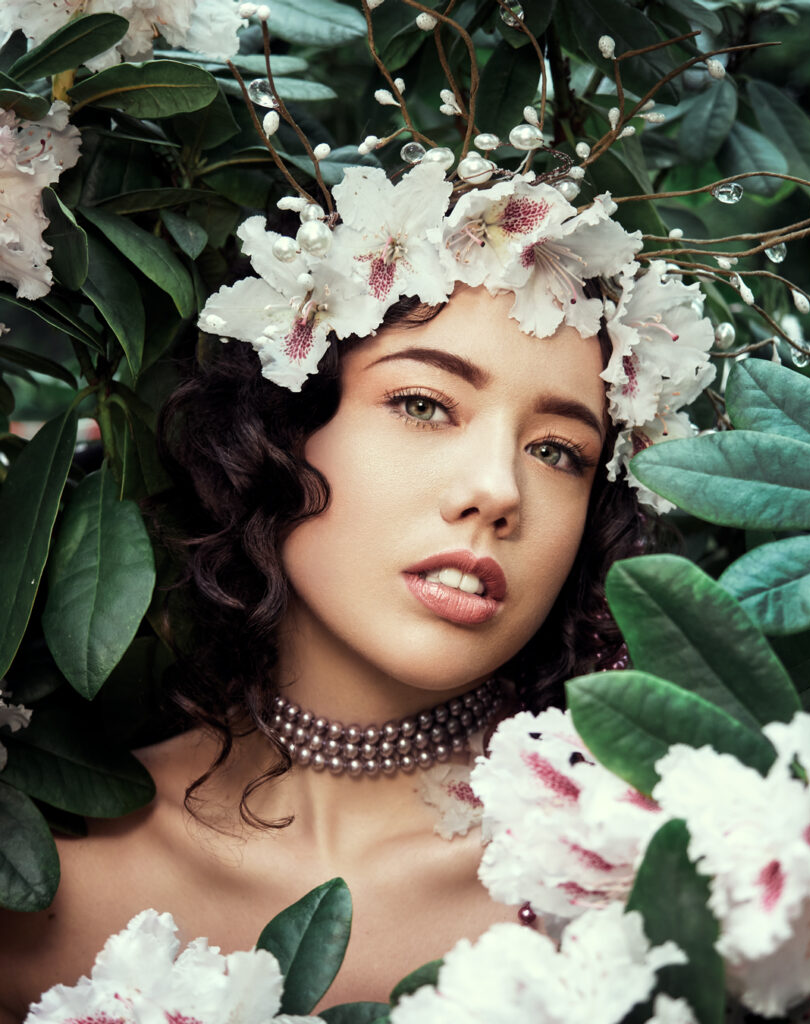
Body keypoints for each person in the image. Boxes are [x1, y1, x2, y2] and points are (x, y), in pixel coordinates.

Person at [0, 268, 652, 1015]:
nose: (500, 489)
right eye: (423, 404)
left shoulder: (642, 874)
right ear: (280, 428)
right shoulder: (37, 880)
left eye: (559, 451)